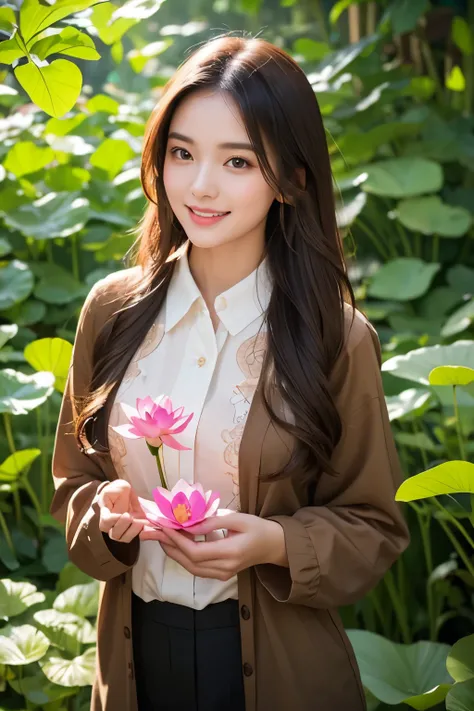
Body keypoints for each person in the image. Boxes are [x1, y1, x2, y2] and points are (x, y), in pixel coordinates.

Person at [50, 34, 410, 711]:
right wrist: (104, 515)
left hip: (280, 669)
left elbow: (374, 526)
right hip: (135, 661)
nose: (200, 185)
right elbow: (73, 481)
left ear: (293, 178)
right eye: (182, 153)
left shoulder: (336, 338)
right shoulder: (112, 310)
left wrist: (274, 542)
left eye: (237, 160)